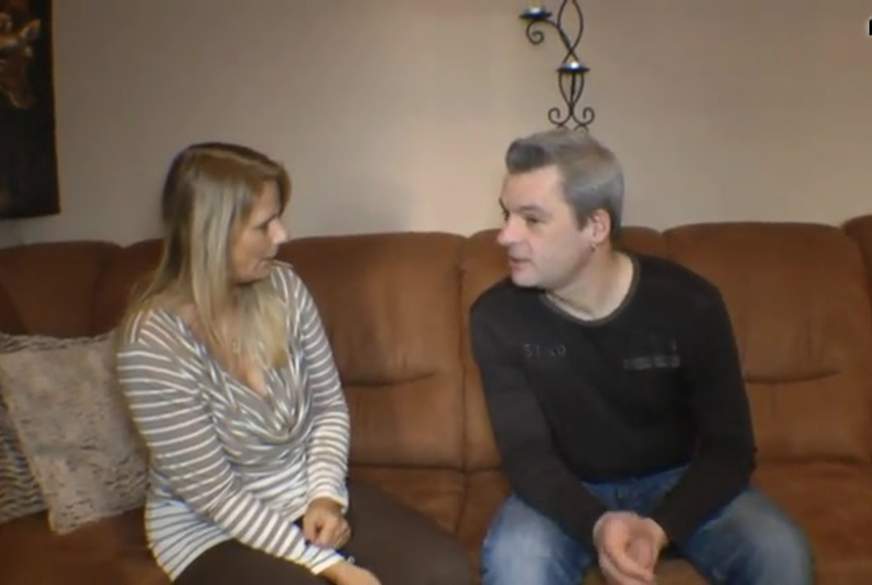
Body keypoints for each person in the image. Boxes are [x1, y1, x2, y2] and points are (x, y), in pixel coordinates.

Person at [470, 129, 814, 585]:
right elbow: (526, 456)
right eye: (507, 215)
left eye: (532, 219)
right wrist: (597, 524)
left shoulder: (690, 303)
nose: (505, 236)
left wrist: (659, 528)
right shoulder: (497, 316)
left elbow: (730, 448)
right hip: (567, 487)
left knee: (779, 551)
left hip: (680, 477)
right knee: (517, 562)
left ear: (595, 227)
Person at [116, 142, 470, 585]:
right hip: (212, 528)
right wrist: (333, 567)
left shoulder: (285, 288)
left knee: (445, 571)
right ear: (211, 232)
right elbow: (215, 494)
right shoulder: (151, 344)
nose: (282, 235)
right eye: (264, 225)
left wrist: (326, 498)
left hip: (304, 495)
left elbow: (329, 408)